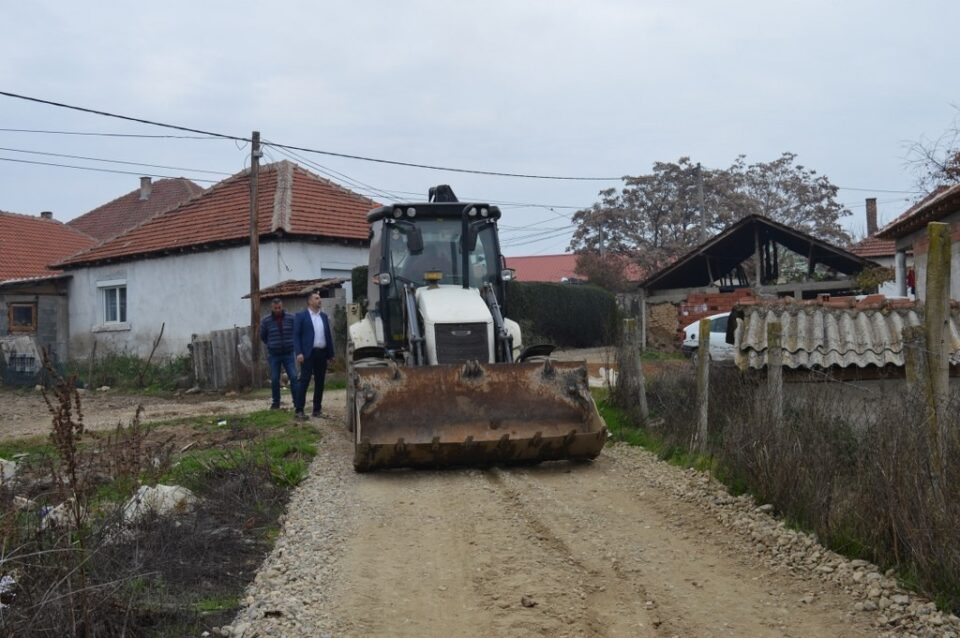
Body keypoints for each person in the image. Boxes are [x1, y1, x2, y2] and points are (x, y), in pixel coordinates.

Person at [293, 291, 335, 421]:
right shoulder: (301, 316)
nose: (319, 300)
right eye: (317, 298)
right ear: (309, 301)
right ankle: (299, 410)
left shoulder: (323, 316)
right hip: (307, 354)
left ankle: (317, 410)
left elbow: (328, 336)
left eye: (320, 298)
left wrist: (331, 354)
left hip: (321, 353)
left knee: (320, 382)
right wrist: (299, 352)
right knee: (304, 381)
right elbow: (296, 336)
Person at [259, 298, 296, 410]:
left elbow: (295, 332)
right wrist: (271, 344)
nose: (278, 310)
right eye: (275, 308)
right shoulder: (266, 321)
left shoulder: (291, 318)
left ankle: (297, 401)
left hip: (288, 353)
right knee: (275, 379)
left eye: (279, 307)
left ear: (282, 306)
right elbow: (263, 336)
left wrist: (291, 343)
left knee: (293, 377)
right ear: (272, 308)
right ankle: (276, 403)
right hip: (274, 355)